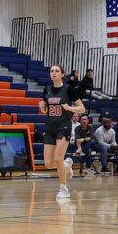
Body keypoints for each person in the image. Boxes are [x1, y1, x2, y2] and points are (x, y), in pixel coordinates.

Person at [39, 64, 85, 200]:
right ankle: (67, 164)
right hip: (50, 127)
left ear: (62, 74)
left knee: (58, 158)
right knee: (48, 163)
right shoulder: (46, 89)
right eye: (52, 71)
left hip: (64, 126)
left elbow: (82, 108)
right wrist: (42, 107)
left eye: (57, 71)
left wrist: (70, 108)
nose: (54, 73)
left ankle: (63, 188)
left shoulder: (68, 89)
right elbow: (46, 110)